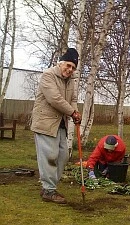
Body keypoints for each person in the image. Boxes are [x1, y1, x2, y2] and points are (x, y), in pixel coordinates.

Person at [31, 48, 81, 204]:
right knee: (50, 156)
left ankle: (49, 186)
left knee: (63, 155)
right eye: (68, 65)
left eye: (73, 68)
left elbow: (72, 99)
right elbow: (54, 99)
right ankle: (49, 190)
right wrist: (72, 112)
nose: (70, 69)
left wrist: (76, 113)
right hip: (45, 122)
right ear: (61, 63)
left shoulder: (71, 81)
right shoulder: (48, 75)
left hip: (60, 124)